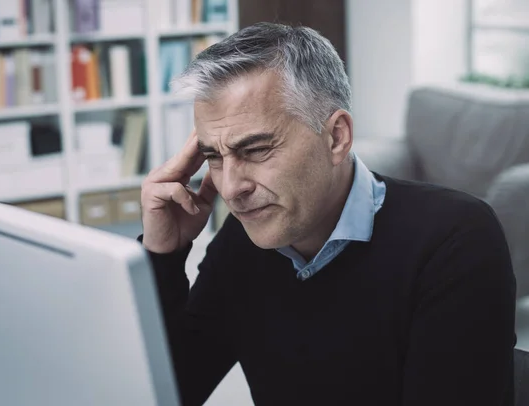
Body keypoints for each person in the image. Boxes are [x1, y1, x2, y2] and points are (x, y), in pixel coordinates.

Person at [138, 22, 517, 406]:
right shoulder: (243, 240)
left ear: (336, 137)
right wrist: (162, 255)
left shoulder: (456, 240)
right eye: (214, 156)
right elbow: (171, 390)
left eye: (255, 150)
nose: (231, 189)